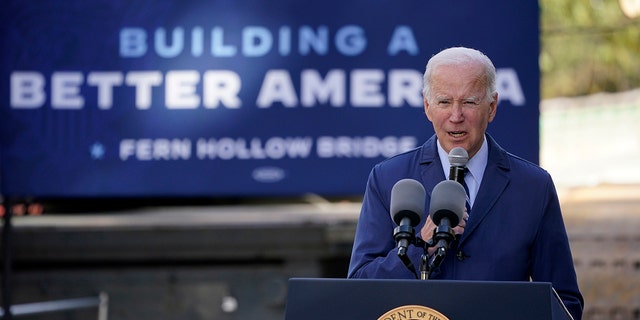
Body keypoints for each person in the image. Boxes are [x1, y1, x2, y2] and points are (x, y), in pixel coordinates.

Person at [347, 47, 583, 319]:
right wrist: (422, 246)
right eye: (444, 102)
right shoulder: (388, 178)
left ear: (492, 107)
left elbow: (564, 303)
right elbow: (360, 286)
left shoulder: (533, 186)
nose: (456, 115)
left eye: (469, 102)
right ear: (427, 107)